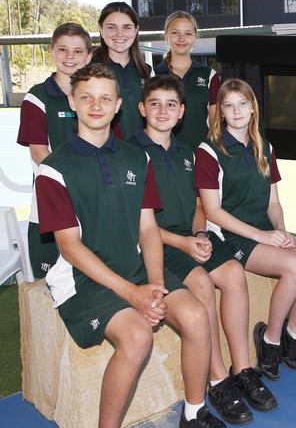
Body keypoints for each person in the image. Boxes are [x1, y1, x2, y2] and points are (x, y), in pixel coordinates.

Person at [35, 64, 224, 428]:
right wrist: (133, 295)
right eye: (86, 97)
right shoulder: (54, 169)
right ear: (72, 101)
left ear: (119, 104)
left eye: (105, 97)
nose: (96, 104)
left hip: (135, 268)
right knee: (137, 337)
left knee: (197, 316)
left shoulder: (137, 157)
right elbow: (71, 248)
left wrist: (154, 284)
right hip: (82, 278)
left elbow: (148, 228)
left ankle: (193, 413)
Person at [130, 75, 277, 424]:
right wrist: (183, 242)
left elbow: (199, 203)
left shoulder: (186, 152)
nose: (163, 111)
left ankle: (241, 370)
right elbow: (140, 225)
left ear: (182, 112)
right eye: (154, 104)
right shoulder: (132, 154)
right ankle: (217, 381)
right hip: (154, 243)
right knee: (201, 285)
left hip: (187, 237)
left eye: (171, 104)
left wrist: (199, 233)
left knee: (233, 274)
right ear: (141, 109)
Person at [195, 78, 296, 381]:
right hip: (231, 235)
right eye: (229, 105)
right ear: (221, 111)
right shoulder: (208, 151)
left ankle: (293, 334)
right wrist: (263, 236)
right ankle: (270, 340)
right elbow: (212, 211)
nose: (236, 110)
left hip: (263, 229)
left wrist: (281, 230)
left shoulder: (264, 146)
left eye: (243, 103)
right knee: (295, 268)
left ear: (253, 108)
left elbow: (273, 201)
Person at [17, 22, 92, 279]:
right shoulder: (37, 97)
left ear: (89, 56)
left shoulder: (94, 95)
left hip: (90, 198)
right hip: (52, 195)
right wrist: (71, 182)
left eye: (78, 51)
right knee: (48, 281)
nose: (70, 57)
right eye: (63, 49)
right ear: (51, 51)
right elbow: (39, 152)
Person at [154, 11, 221, 150]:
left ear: (195, 37)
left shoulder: (210, 76)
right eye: (175, 33)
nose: (181, 38)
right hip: (164, 156)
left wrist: (204, 153)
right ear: (166, 35)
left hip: (200, 156)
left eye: (188, 33)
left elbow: (216, 123)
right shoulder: (153, 74)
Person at [92, 1, 151, 140]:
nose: (119, 34)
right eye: (111, 27)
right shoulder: (88, 69)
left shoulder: (147, 71)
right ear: (100, 29)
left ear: (136, 30)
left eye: (127, 27)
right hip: (104, 154)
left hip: (142, 154)